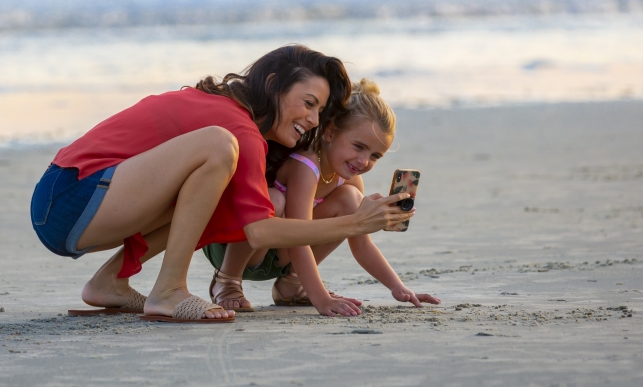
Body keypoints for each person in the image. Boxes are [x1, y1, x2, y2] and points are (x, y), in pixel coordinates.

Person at [30, 46, 411, 323]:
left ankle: (109, 282)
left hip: (80, 205)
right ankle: (168, 291)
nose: (312, 119)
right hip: (69, 196)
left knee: (216, 178)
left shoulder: (243, 125)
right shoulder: (235, 126)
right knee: (218, 145)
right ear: (275, 84)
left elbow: (251, 220)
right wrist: (357, 223)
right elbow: (259, 232)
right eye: (308, 103)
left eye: (319, 110)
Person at [205, 78, 440, 316]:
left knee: (350, 199)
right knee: (274, 201)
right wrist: (322, 299)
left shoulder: (349, 178)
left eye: (375, 155)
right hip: (239, 245)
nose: (364, 161)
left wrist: (398, 287)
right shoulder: (305, 167)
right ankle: (227, 280)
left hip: (279, 258)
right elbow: (298, 237)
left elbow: (361, 243)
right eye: (358, 147)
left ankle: (292, 284)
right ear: (329, 132)